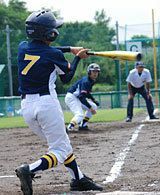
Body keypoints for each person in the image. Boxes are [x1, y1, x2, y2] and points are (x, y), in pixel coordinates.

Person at [16, 10, 103, 195]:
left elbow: (43, 50)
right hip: (46, 105)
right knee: (60, 149)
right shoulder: (54, 54)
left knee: (62, 144)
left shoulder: (22, 47)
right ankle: (29, 170)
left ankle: (78, 179)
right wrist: (78, 57)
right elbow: (67, 78)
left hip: (26, 108)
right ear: (49, 34)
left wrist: (70, 49)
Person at [65, 63, 100, 132]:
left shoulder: (91, 80)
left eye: (97, 71)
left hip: (77, 98)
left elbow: (87, 93)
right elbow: (82, 97)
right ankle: (69, 127)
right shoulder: (86, 81)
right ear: (89, 72)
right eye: (93, 71)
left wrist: (93, 100)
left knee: (94, 106)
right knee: (80, 114)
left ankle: (83, 125)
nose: (95, 73)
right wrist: (90, 108)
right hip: (71, 97)